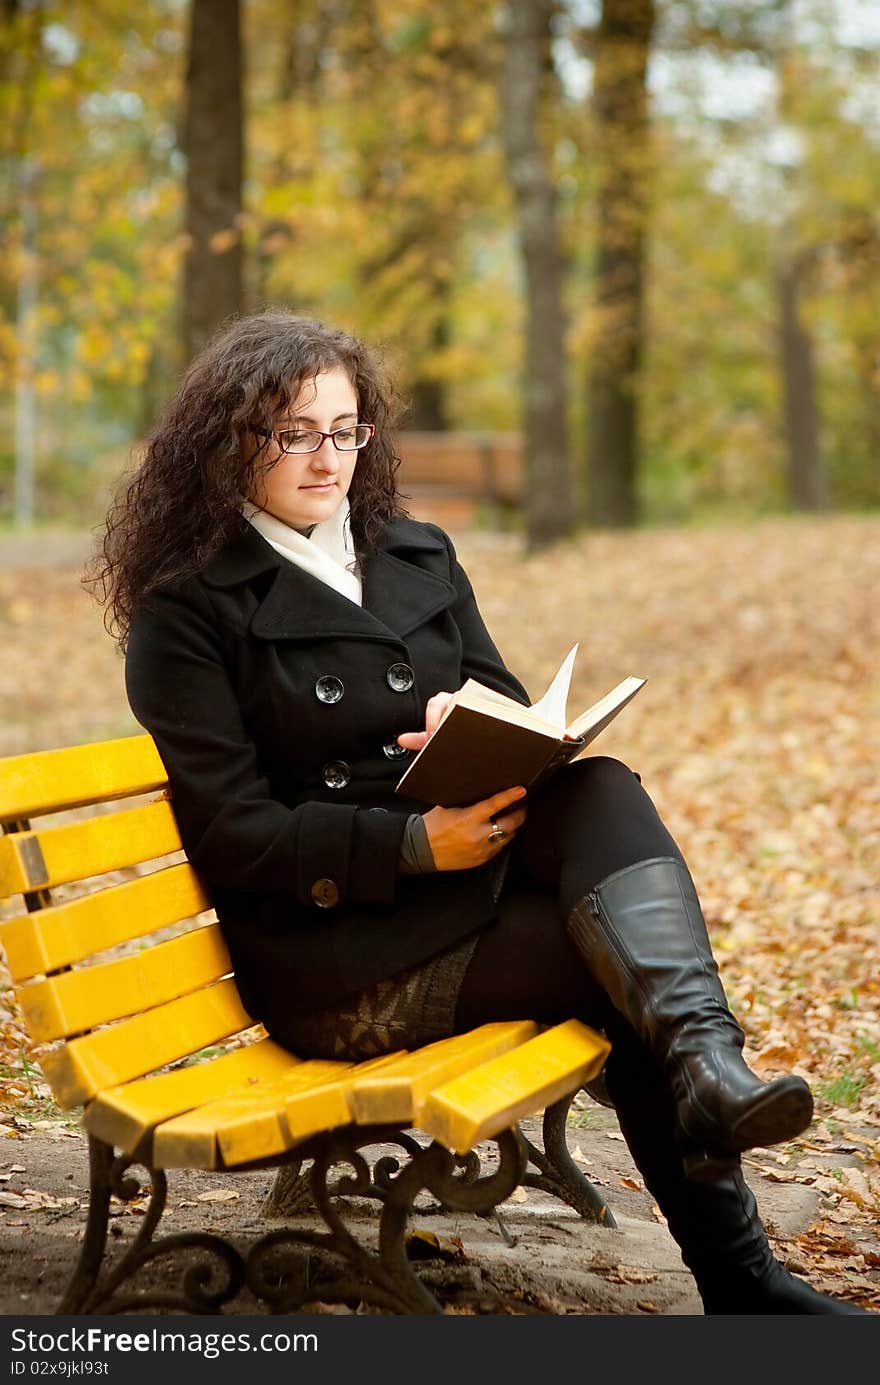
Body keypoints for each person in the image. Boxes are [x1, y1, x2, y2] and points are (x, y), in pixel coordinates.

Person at [87, 308, 867, 1316]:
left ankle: (710, 1064)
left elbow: (514, 710)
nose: (325, 456)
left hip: (461, 893)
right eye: (291, 432)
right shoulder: (186, 610)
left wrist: (476, 715)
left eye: (344, 428)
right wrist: (414, 843)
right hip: (335, 952)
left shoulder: (415, 552)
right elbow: (237, 835)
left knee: (596, 783)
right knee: (609, 966)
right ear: (230, 440)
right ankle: (742, 1271)